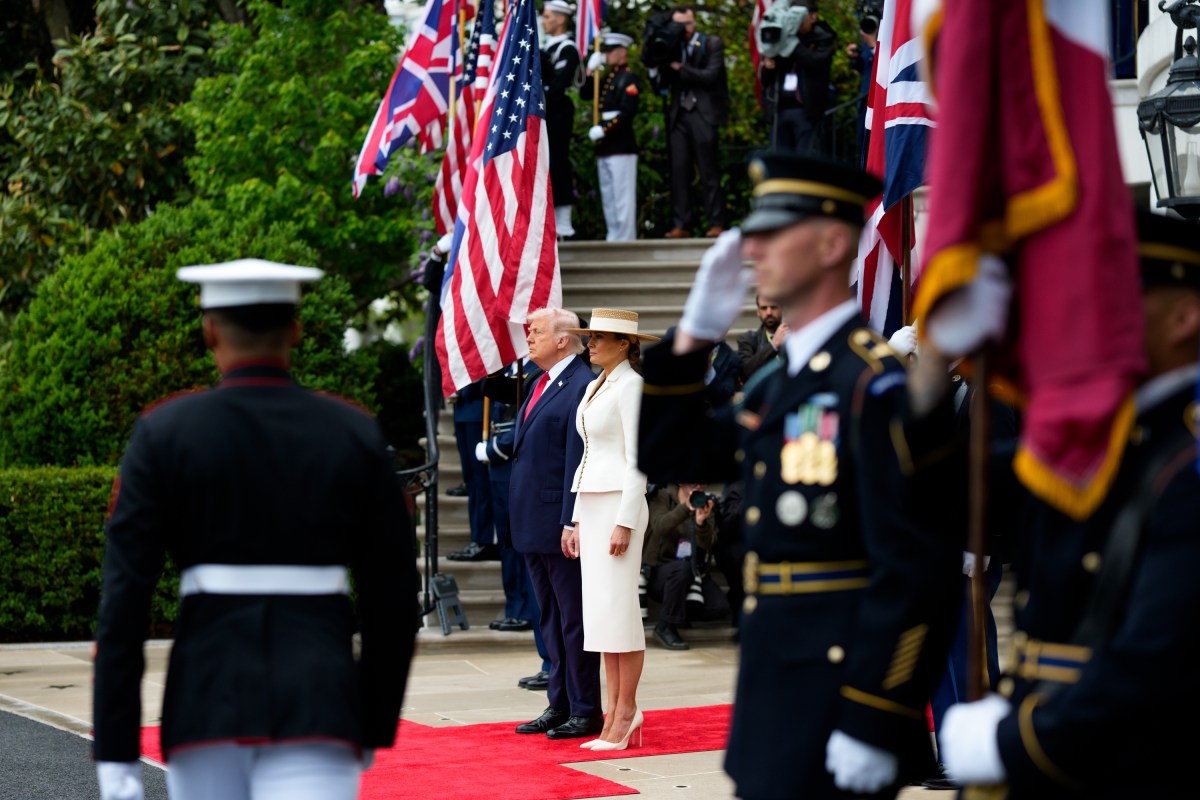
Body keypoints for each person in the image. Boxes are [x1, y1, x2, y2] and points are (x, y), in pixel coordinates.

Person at [638, 152, 963, 799]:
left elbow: (920, 577)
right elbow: (672, 457)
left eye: (775, 232)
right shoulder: (782, 383)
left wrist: (876, 715)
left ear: (832, 244)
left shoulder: (874, 387)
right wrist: (692, 340)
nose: (755, 249)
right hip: (773, 690)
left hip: (843, 699)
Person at [92, 260, 420, 800]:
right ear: (295, 330)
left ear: (209, 330)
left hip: (206, 697)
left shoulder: (165, 431)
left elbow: (123, 601)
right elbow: (393, 601)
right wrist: (371, 719)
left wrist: (116, 751)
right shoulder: (352, 431)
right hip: (320, 698)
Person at [936, 209, 1200, 798]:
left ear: (1184, 316)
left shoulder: (1185, 465)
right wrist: (933, 364)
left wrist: (1009, 744)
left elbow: (1148, 667)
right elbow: (932, 478)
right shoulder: (1103, 441)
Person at [562, 308, 659, 751]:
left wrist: (623, 520)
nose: (590, 344)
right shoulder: (594, 385)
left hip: (621, 506)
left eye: (600, 337)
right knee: (600, 617)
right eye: (590, 336)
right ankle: (613, 711)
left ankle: (626, 711)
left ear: (625, 344)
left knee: (620, 614)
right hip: (594, 505)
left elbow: (639, 458)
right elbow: (588, 456)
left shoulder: (633, 385)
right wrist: (576, 518)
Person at [510, 307, 604, 740]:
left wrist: (572, 519)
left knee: (573, 620)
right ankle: (559, 702)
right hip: (533, 519)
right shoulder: (539, 380)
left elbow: (577, 460)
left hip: (560, 522)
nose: (529, 337)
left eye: (537, 331)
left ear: (564, 339)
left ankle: (585, 708)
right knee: (549, 618)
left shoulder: (581, 384)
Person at [478, 361, 554, 689]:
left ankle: (556, 666)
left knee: (553, 596)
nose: (530, 337)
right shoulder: (534, 373)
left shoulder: (564, 380)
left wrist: (496, 448)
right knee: (537, 584)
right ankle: (552, 664)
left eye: (537, 331)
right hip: (524, 485)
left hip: (547, 497)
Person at [657, 4, 729, 239]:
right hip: (679, 115)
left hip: (703, 112)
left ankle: (716, 222)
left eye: (687, 23)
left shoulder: (712, 43)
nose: (684, 29)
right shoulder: (671, 47)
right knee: (679, 171)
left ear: (695, 22)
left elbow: (711, 75)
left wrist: (681, 68)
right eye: (678, 24)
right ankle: (681, 223)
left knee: (709, 170)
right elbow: (661, 85)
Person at [644, 482, 721, 651]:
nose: (699, 484)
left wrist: (701, 523)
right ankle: (666, 626)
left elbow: (708, 545)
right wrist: (686, 507)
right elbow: (659, 526)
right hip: (658, 570)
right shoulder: (662, 495)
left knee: (718, 607)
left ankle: (682, 613)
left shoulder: (705, 501)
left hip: (691, 571)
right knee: (681, 570)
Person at [582, 32, 640, 242]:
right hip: (605, 145)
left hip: (620, 143)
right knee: (609, 195)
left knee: (622, 196)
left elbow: (627, 111)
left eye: (611, 51)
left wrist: (604, 129)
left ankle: (624, 238)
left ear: (622, 51)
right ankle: (613, 235)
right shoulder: (607, 77)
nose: (607, 55)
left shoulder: (629, 78)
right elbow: (586, 94)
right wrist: (589, 71)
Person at [759, 0, 835, 153]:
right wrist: (768, 65)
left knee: (805, 161)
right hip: (780, 108)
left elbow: (817, 62)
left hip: (807, 110)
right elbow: (766, 79)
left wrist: (792, 45)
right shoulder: (783, 35)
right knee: (781, 159)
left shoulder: (823, 36)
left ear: (813, 17)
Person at [446, 377, 499, 562]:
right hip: (462, 406)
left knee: (481, 480)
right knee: (471, 480)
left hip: (478, 406)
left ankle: (485, 540)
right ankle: (478, 537)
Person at [540, 1, 581, 240]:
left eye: (547, 17)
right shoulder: (547, 47)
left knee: (558, 162)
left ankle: (563, 221)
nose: (544, 21)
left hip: (557, 111)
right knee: (545, 165)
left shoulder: (567, 49)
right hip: (544, 112)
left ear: (560, 19)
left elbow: (558, 84)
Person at [847, 13, 878, 168]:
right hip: (864, 100)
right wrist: (854, 57)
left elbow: (881, 65)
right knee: (862, 139)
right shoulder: (865, 45)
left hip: (880, 99)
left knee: (877, 140)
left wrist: (873, 44)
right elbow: (863, 68)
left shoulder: (882, 43)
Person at [736, 294, 788, 382]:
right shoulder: (747, 339)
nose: (769, 312)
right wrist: (773, 345)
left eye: (773, 307)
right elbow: (745, 373)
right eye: (764, 308)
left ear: (782, 308)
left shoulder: (796, 336)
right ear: (758, 312)